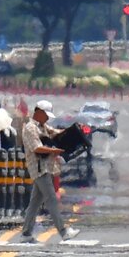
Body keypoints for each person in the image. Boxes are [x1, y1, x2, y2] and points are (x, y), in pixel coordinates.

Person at [19, 100, 77, 241]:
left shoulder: (43, 127)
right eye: (46, 115)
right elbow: (36, 148)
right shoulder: (30, 128)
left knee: (35, 203)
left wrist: (75, 131)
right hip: (39, 169)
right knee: (51, 199)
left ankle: (26, 233)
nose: (47, 118)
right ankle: (63, 232)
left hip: (46, 168)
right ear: (38, 112)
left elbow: (57, 133)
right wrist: (54, 151)